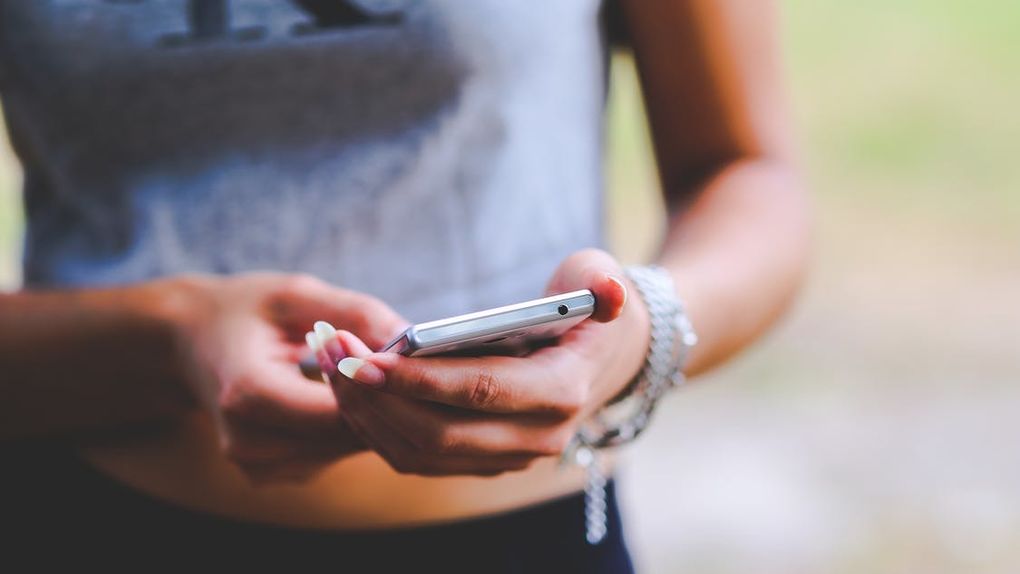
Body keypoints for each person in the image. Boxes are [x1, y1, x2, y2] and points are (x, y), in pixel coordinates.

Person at [0, 0, 809, 571]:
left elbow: (744, 171)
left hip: (527, 545)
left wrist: (641, 335)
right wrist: (171, 334)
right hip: (92, 527)